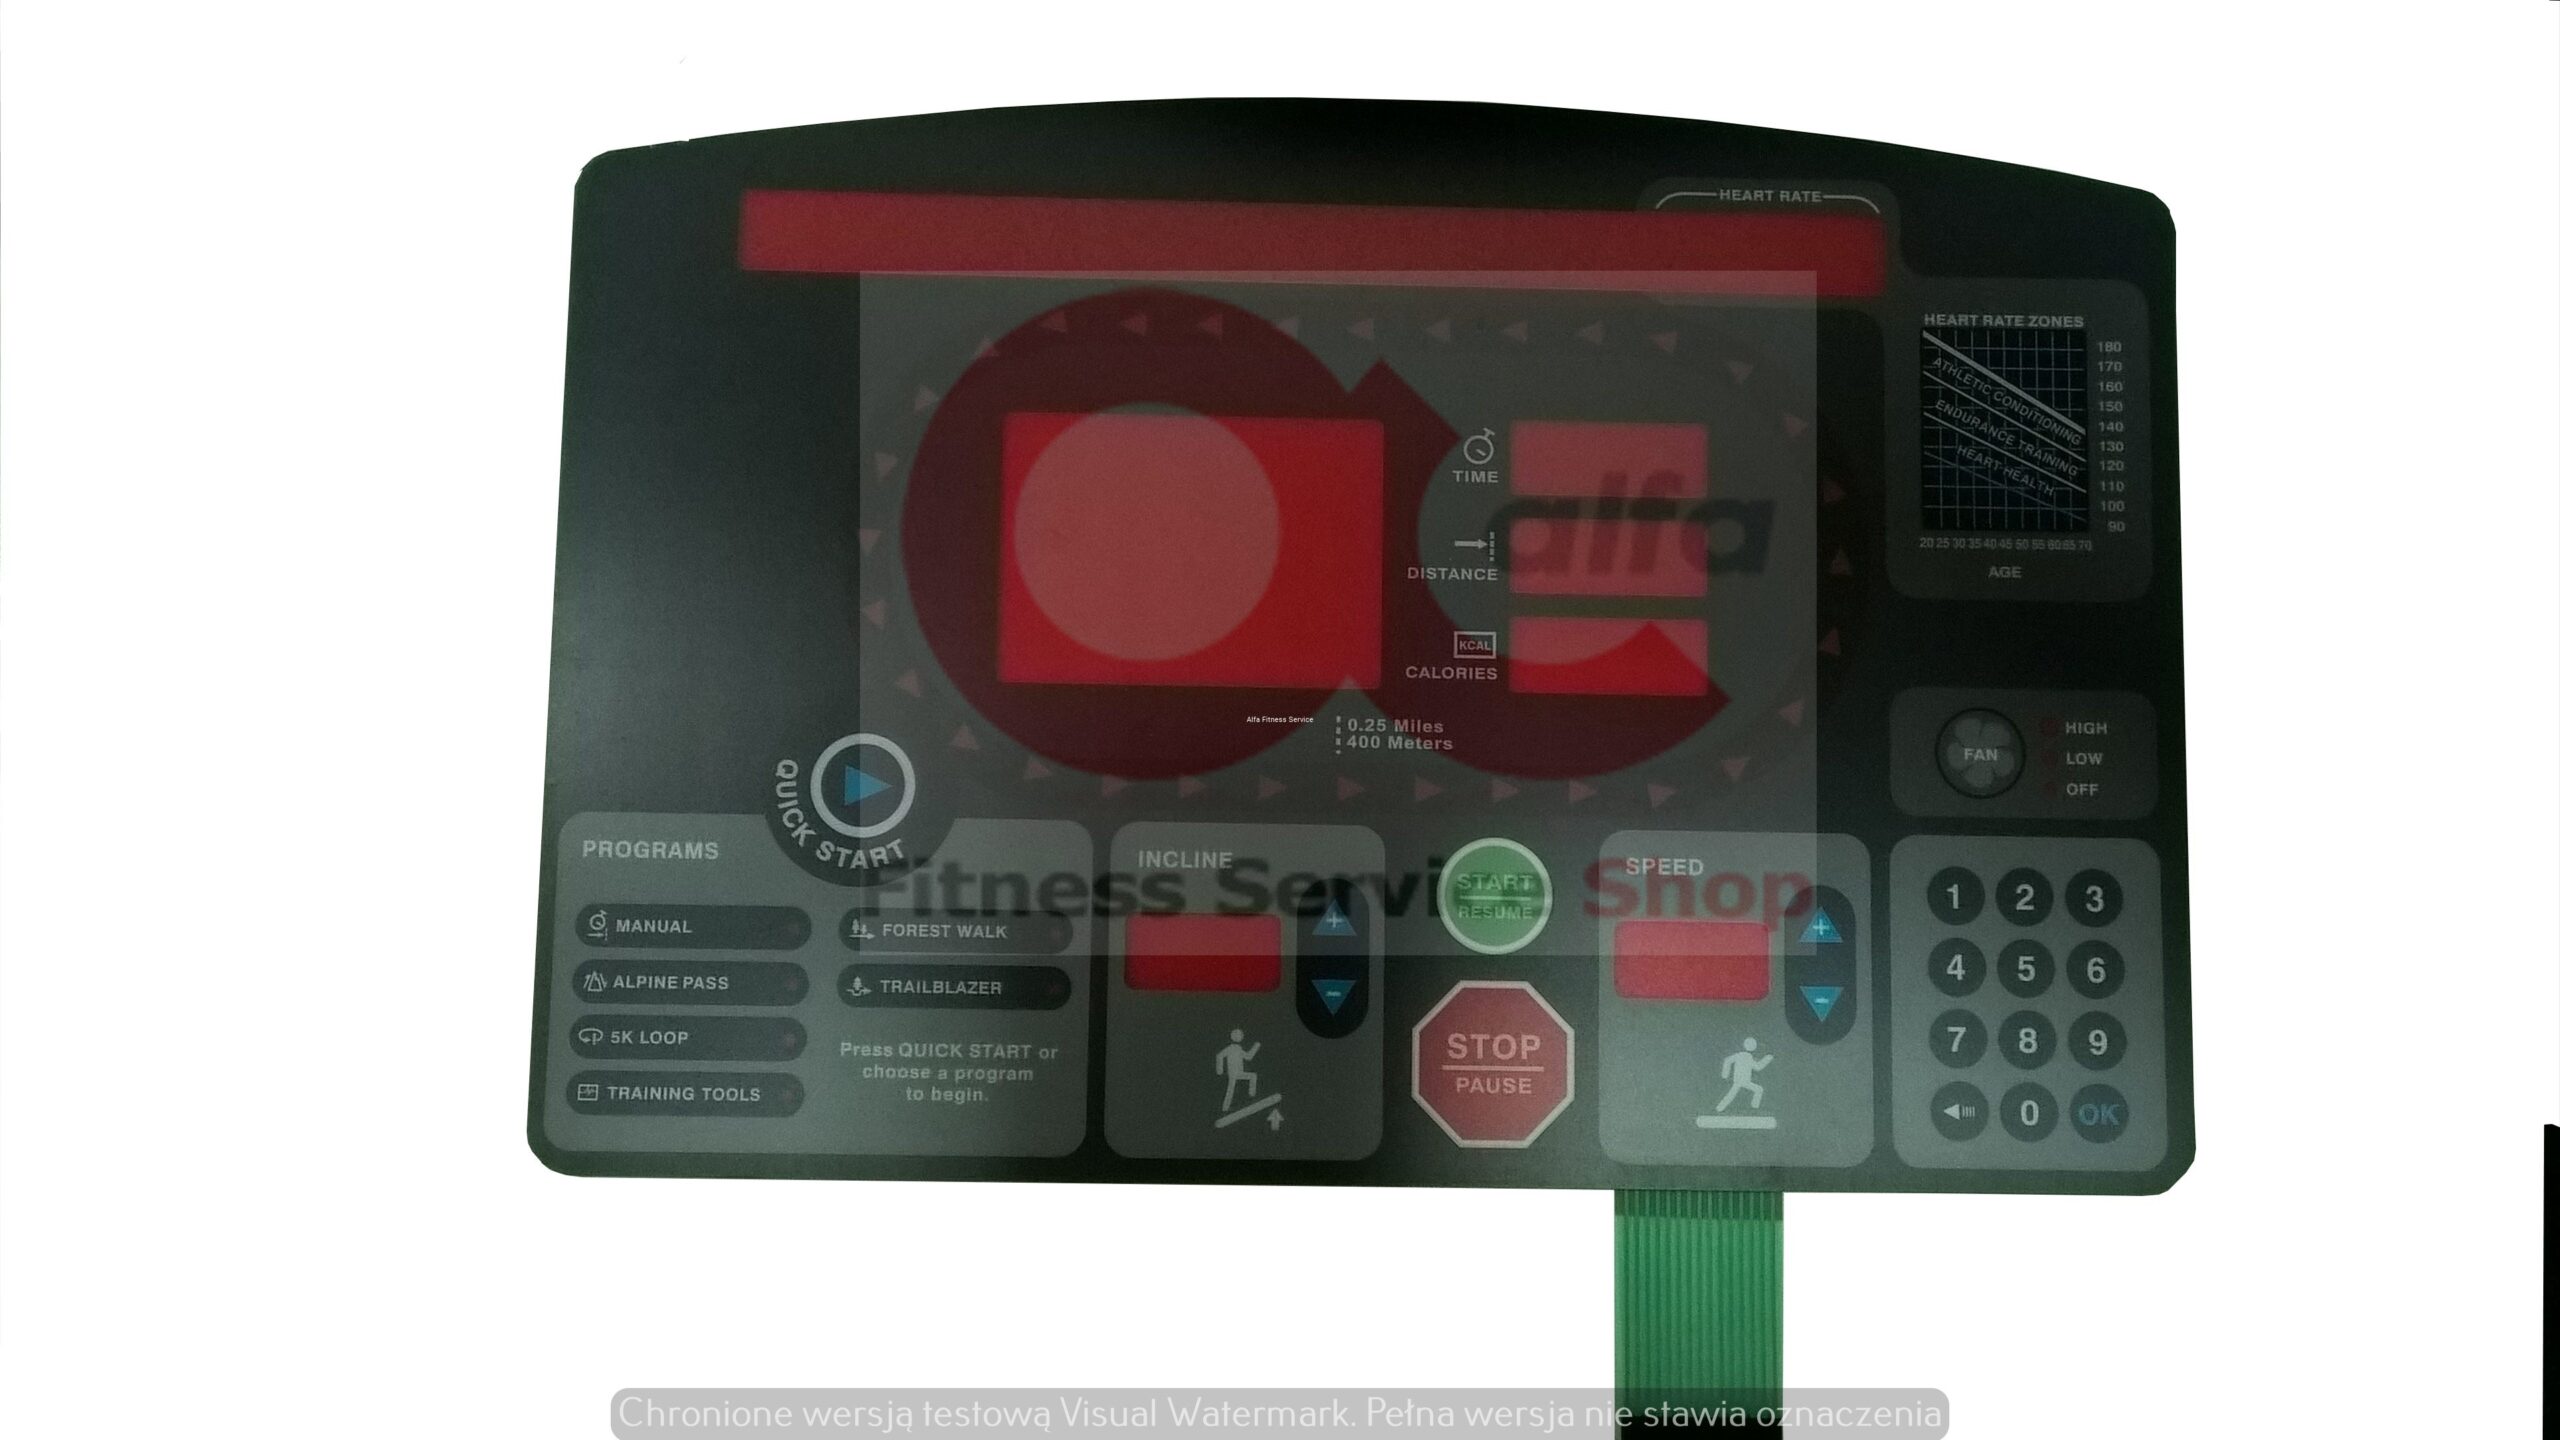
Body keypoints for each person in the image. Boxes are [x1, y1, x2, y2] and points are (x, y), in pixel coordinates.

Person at [1715, 1037, 1773, 1113]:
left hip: (1741, 1080)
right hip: (1744, 1080)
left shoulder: (1740, 1055)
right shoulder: (1747, 1057)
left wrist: (1725, 1075)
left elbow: (1727, 1060)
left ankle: (1719, 1108)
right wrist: (1767, 1058)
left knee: (1732, 1093)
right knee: (1758, 1090)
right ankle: (1754, 1109)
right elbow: (1758, 1067)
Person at [1214, 1029, 1261, 1112]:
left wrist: (1256, 1046)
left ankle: (1251, 1094)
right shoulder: (1230, 1048)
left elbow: (1248, 1057)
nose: (1239, 1036)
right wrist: (1219, 1070)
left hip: (1239, 1072)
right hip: (1233, 1072)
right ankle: (1225, 1107)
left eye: (1240, 1035)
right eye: (1238, 1035)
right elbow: (1219, 1056)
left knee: (1252, 1076)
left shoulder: (1238, 1048)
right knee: (1231, 1088)